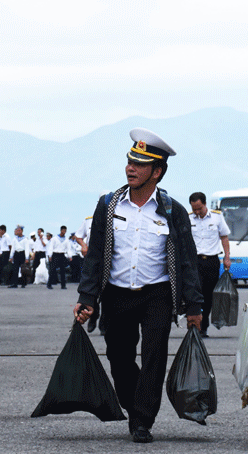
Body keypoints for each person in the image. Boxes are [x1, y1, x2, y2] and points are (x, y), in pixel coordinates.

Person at [74, 128, 203, 444]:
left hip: (157, 293)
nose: (130, 168)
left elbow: (187, 261)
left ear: (156, 172)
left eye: (139, 164)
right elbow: (95, 255)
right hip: (117, 293)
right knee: (119, 357)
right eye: (130, 161)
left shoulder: (172, 210)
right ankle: (134, 406)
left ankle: (143, 419)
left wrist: (194, 306)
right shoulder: (109, 205)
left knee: (154, 356)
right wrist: (87, 296)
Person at [188, 191, 231, 337]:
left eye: (199, 208)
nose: (197, 212)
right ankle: (195, 325)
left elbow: (224, 237)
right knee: (195, 293)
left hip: (212, 261)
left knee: (208, 295)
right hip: (195, 262)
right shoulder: (188, 218)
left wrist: (227, 257)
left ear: (205, 204)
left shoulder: (217, 217)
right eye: (194, 209)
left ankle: (204, 326)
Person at [46, 225, 69, 290]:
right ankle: (49, 284)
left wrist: (69, 256)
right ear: (61, 230)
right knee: (52, 270)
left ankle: (63, 285)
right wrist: (50, 255)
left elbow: (68, 248)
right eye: (63, 230)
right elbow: (51, 247)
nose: (64, 232)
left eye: (65, 231)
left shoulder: (66, 239)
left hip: (62, 255)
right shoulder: (55, 238)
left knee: (62, 270)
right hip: (55, 254)